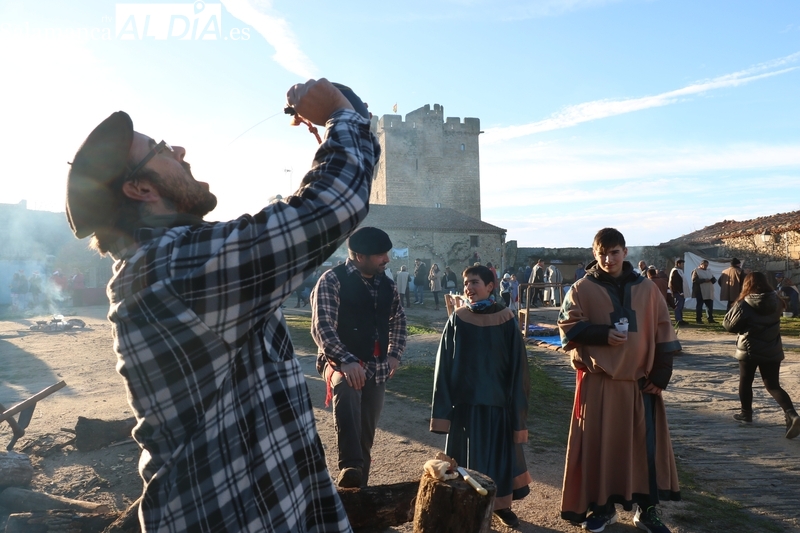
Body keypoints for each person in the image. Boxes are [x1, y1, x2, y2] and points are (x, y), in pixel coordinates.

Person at [64, 79, 378, 532]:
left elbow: (342, 192)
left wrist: (348, 115)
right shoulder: (171, 270)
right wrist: (338, 114)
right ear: (138, 188)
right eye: (160, 149)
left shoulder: (173, 261)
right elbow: (329, 207)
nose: (180, 150)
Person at [558, 228, 681, 533]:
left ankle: (648, 511)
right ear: (593, 253)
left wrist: (661, 374)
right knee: (602, 448)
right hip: (600, 383)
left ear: (625, 253)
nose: (608, 259)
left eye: (614, 252)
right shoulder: (580, 288)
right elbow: (566, 328)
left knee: (645, 449)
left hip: (641, 385)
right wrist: (601, 334)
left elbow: (665, 331)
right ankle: (603, 508)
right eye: (602, 253)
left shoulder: (648, 289)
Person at [430, 265, 531, 528]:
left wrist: (517, 411)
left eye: (474, 282)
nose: (468, 288)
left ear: (490, 286)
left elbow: (519, 368)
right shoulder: (458, 319)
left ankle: (500, 504)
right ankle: (465, 507)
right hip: (465, 406)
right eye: (466, 283)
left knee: (497, 457)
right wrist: (443, 412)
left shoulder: (507, 319)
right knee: (464, 459)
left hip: (498, 406)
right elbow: (444, 367)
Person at [311, 226, 407, 488]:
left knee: (366, 430)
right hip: (339, 360)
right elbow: (322, 327)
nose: (386, 259)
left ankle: (358, 487)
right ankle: (350, 466)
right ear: (358, 256)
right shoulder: (332, 280)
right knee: (348, 387)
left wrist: (394, 354)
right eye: (380, 255)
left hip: (377, 365)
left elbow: (398, 320)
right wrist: (346, 361)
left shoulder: (387, 284)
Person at [723, 272, 800, 439]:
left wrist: (736, 305)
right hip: (772, 348)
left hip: (749, 349)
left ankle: (746, 414)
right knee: (773, 385)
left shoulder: (745, 304)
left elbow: (728, 325)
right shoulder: (777, 301)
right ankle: (792, 414)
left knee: (746, 381)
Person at [692, 259, 717, 323]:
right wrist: (704, 280)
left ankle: (710, 318)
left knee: (709, 306)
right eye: (705, 265)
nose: (706, 266)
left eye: (707, 265)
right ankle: (699, 319)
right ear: (701, 265)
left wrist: (712, 280)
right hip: (700, 291)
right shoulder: (696, 271)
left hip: (708, 290)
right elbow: (694, 280)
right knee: (699, 306)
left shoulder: (709, 271)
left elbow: (714, 279)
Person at [669, 259, 688, 326]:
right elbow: (676, 283)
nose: (683, 266)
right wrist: (680, 292)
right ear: (678, 264)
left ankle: (680, 319)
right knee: (678, 306)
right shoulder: (675, 271)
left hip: (680, 292)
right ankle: (678, 320)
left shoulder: (679, 271)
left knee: (681, 306)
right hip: (678, 292)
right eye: (682, 264)